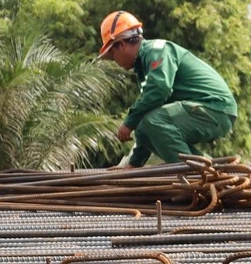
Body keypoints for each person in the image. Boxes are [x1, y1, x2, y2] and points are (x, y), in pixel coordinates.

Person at [96, 11, 239, 166]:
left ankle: (194, 174)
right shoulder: (143, 68)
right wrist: (132, 164)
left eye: (112, 55)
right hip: (204, 110)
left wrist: (129, 122)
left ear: (122, 45)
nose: (115, 61)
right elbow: (145, 129)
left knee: (153, 120)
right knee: (146, 125)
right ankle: (211, 168)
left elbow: (160, 89)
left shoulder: (155, 50)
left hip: (215, 107)